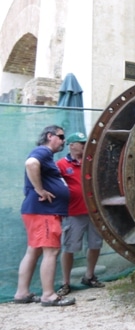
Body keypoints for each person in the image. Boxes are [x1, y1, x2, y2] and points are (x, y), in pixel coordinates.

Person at [13, 125, 75, 306]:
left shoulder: (46, 155)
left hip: (38, 211)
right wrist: (40, 190)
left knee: (34, 250)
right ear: (50, 136)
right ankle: (48, 295)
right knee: (51, 250)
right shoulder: (42, 151)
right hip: (44, 212)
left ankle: (22, 293)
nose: (64, 141)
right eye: (61, 137)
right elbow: (31, 164)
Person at [56, 131, 105, 295]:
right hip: (73, 213)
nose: (85, 145)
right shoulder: (61, 164)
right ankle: (65, 283)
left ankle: (89, 276)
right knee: (69, 248)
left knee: (95, 244)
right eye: (81, 143)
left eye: (85, 142)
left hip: (94, 211)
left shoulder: (91, 162)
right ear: (71, 145)